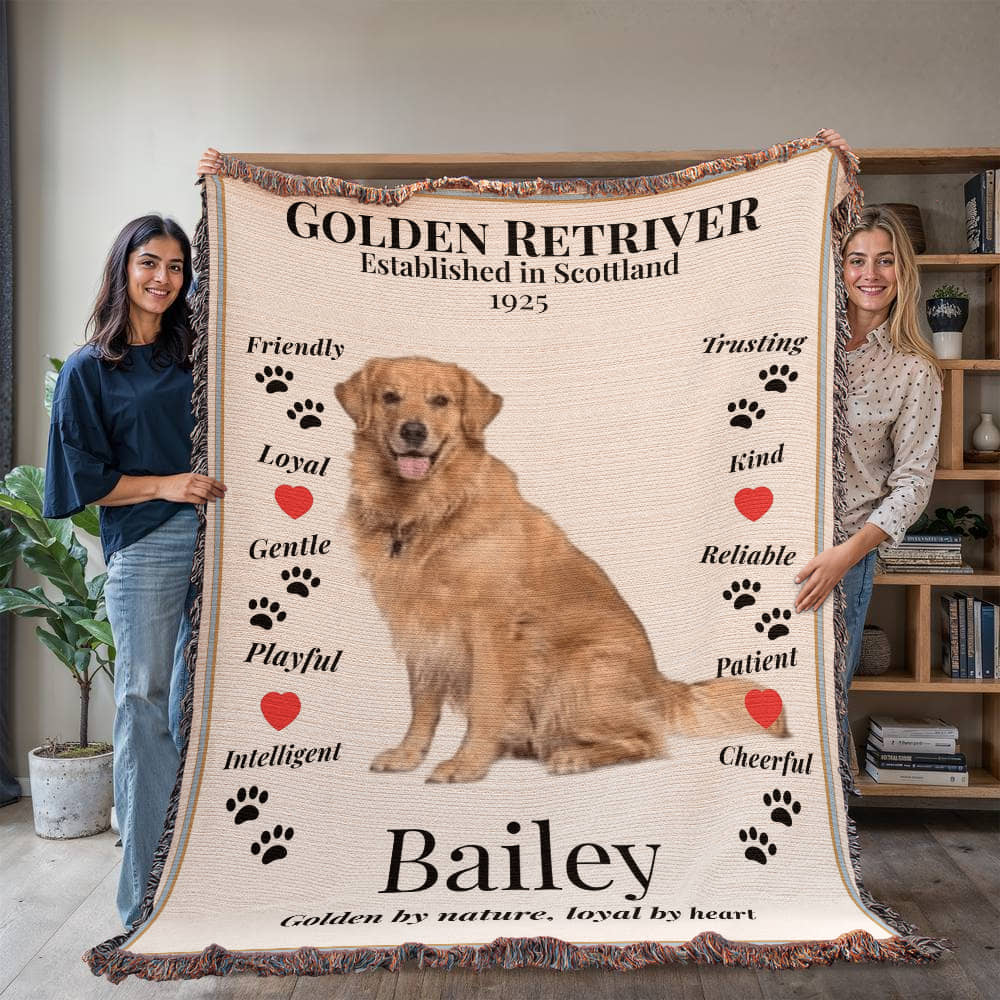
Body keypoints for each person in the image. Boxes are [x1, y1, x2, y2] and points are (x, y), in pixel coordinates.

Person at [42, 214, 226, 931]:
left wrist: (222, 182)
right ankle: (145, 903)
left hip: (222, 538)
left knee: (203, 705)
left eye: (177, 267)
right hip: (148, 544)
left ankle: (202, 875)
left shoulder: (195, 350)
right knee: (144, 704)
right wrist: (167, 484)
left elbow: (250, 268)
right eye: (150, 263)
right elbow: (81, 482)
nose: (163, 279)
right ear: (123, 267)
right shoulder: (91, 368)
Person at [796, 130, 944, 744]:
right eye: (858, 259)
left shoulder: (915, 369)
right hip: (766, 537)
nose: (871, 273)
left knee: (824, 701)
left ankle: (821, 834)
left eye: (885, 259)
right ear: (841, 266)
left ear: (900, 271)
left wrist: (844, 557)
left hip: (845, 554)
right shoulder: (801, 344)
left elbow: (911, 486)